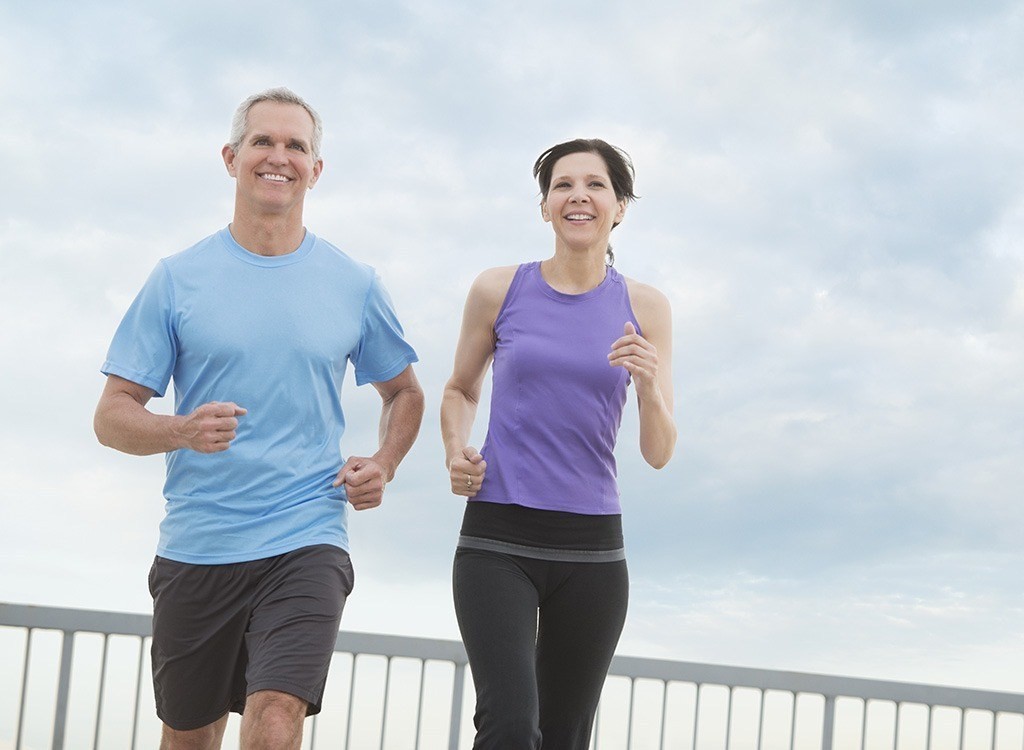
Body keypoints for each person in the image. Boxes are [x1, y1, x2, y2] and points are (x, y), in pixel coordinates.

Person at [94, 87, 424, 750]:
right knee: (191, 736)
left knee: (275, 716)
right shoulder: (177, 279)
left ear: (316, 169)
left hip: (307, 534)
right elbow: (112, 416)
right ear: (231, 157)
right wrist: (181, 429)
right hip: (199, 544)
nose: (280, 157)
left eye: (296, 145)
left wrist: (382, 462)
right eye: (263, 142)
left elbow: (405, 393)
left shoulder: (353, 282)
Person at [440, 138, 677, 748]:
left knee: (565, 734)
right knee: (512, 724)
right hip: (498, 537)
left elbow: (658, 450)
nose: (579, 196)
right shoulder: (499, 290)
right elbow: (461, 390)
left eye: (596, 185)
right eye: (562, 185)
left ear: (619, 206)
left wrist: (649, 386)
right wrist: (455, 450)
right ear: (545, 206)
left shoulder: (645, 306)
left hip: (592, 551)